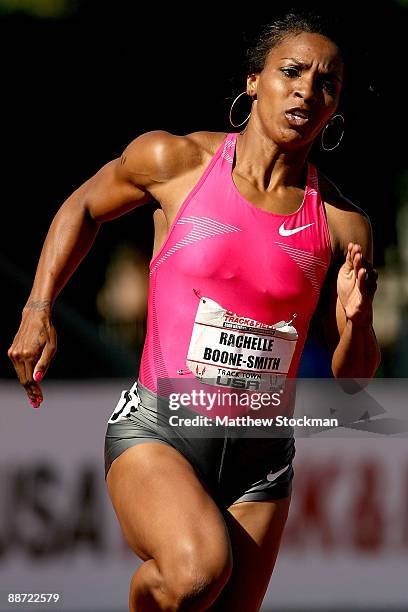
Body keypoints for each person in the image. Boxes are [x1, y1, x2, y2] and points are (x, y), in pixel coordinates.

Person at [8, 10, 381, 612]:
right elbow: (84, 206)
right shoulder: (176, 162)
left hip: (262, 462)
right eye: (291, 71)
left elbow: (354, 381)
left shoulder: (342, 224)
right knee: (195, 572)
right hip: (160, 432)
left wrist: (358, 321)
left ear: (335, 108)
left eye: (327, 83)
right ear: (255, 80)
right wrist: (38, 307)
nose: (308, 90)